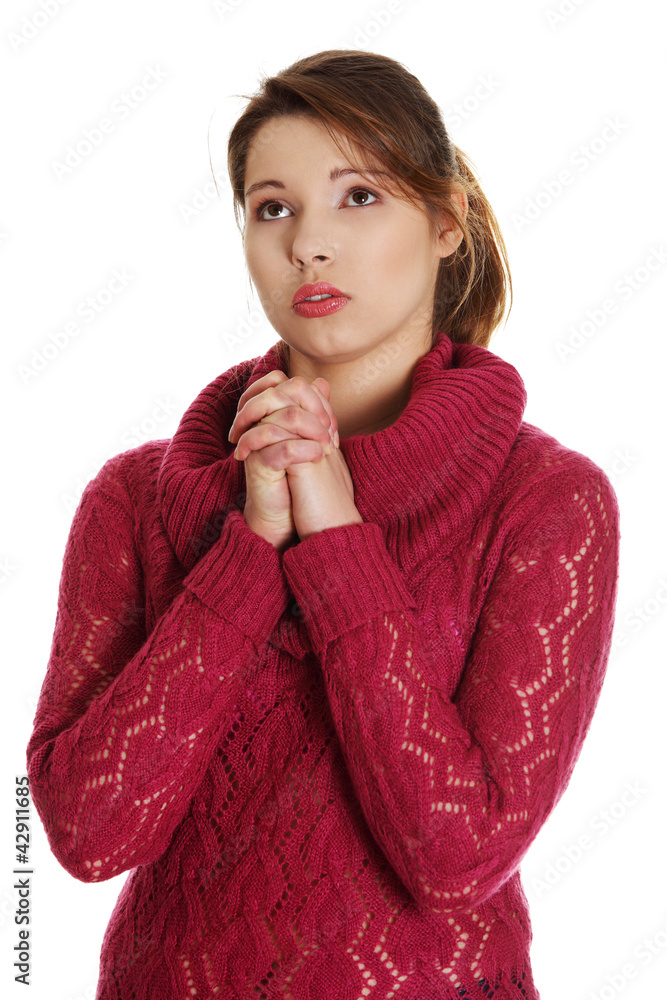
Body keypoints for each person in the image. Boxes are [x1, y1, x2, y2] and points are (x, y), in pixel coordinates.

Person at [26, 49, 621, 999]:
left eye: (358, 197)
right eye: (273, 207)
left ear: (444, 222)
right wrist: (249, 550)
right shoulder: (135, 499)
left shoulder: (547, 502)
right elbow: (88, 838)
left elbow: (456, 858)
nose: (308, 243)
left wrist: (338, 537)